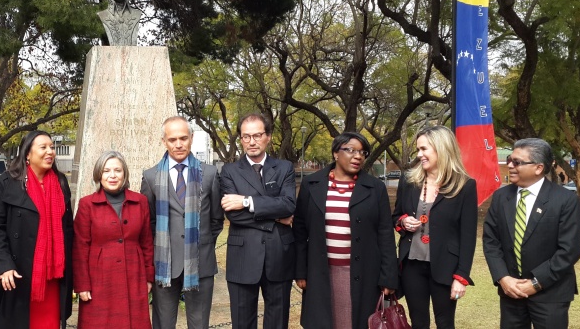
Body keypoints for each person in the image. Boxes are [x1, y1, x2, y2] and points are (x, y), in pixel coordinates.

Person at [294, 132, 398, 329]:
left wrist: (389, 276)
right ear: (335, 153)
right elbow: (300, 230)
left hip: (362, 273)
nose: (357, 156)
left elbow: (385, 234)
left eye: (362, 152)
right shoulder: (311, 185)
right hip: (321, 272)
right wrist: (301, 270)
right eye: (350, 150)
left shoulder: (375, 188)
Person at [483, 138, 580, 328]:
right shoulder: (501, 197)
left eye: (517, 162)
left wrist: (535, 284)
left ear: (538, 168)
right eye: (510, 160)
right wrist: (503, 278)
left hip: (551, 293)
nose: (510, 165)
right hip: (511, 292)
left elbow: (569, 250)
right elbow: (491, 241)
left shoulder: (565, 200)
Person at [0, 131, 73, 329]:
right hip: (16, 274)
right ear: (27, 154)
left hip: (52, 276)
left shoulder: (60, 183)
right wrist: (4, 265)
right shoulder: (7, 183)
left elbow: (68, 228)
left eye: (52, 147)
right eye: (43, 147)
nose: (50, 152)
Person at [141, 116, 223, 329]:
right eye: (172, 139)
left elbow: (216, 220)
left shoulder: (210, 174)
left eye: (183, 138)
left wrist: (200, 243)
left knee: (199, 324)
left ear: (192, 138)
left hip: (200, 264)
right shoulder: (150, 177)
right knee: (163, 324)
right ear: (164, 142)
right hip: (165, 265)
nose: (178, 144)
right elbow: (148, 222)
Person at [393, 125, 478, 329]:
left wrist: (461, 277)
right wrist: (403, 221)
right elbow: (395, 216)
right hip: (411, 265)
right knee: (418, 321)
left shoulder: (465, 185)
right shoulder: (409, 181)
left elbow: (468, 236)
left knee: (445, 322)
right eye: (418, 150)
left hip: (445, 267)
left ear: (442, 149)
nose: (420, 155)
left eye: (424, 149)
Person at [219, 113, 296, 329]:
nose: (252, 142)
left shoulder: (284, 168)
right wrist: (277, 217)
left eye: (257, 135)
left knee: (277, 322)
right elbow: (232, 214)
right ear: (241, 139)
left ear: (268, 136)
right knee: (242, 323)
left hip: (279, 255)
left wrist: (245, 201)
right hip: (243, 257)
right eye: (246, 137)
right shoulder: (230, 171)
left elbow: (289, 205)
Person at [73, 151, 154, 329]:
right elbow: (80, 246)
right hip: (99, 279)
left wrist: (148, 277)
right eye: (106, 170)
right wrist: (82, 284)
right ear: (98, 174)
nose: (112, 175)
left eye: (117, 170)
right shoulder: (87, 204)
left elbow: (147, 242)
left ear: (124, 173)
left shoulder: (140, 202)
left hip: (134, 275)